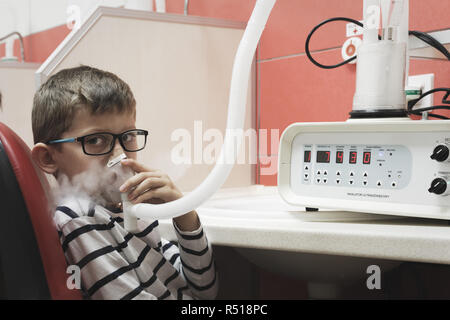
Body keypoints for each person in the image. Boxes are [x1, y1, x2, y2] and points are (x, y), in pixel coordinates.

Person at [31, 66, 218, 300]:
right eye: (96, 140)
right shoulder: (80, 217)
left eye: (128, 136)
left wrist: (183, 213)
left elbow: (204, 290)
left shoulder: (126, 207)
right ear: (48, 158)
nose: (120, 156)